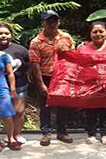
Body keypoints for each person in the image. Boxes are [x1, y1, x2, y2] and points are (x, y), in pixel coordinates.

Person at [29, 10, 75, 146]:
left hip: (63, 77)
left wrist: (67, 51)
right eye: (48, 21)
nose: (52, 24)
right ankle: (46, 133)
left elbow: (73, 56)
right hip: (45, 76)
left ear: (59, 22)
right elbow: (34, 64)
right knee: (45, 106)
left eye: (54, 20)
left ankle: (62, 132)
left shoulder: (66, 37)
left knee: (63, 105)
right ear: (43, 23)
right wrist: (41, 84)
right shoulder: (36, 42)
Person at [76, 21, 106, 145]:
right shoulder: (82, 49)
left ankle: (104, 134)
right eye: (95, 32)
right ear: (90, 33)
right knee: (90, 111)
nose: (98, 34)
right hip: (89, 86)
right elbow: (76, 66)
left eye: (101, 31)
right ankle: (91, 134)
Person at [0, 22, 30, 144]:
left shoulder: (21, 49)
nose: (3, 36)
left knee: (19, 111)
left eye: (6, 33)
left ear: (11, 35)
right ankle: (8, 135)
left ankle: (17, 134)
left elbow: (28, 65)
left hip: (19, 84)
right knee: (5, 112)